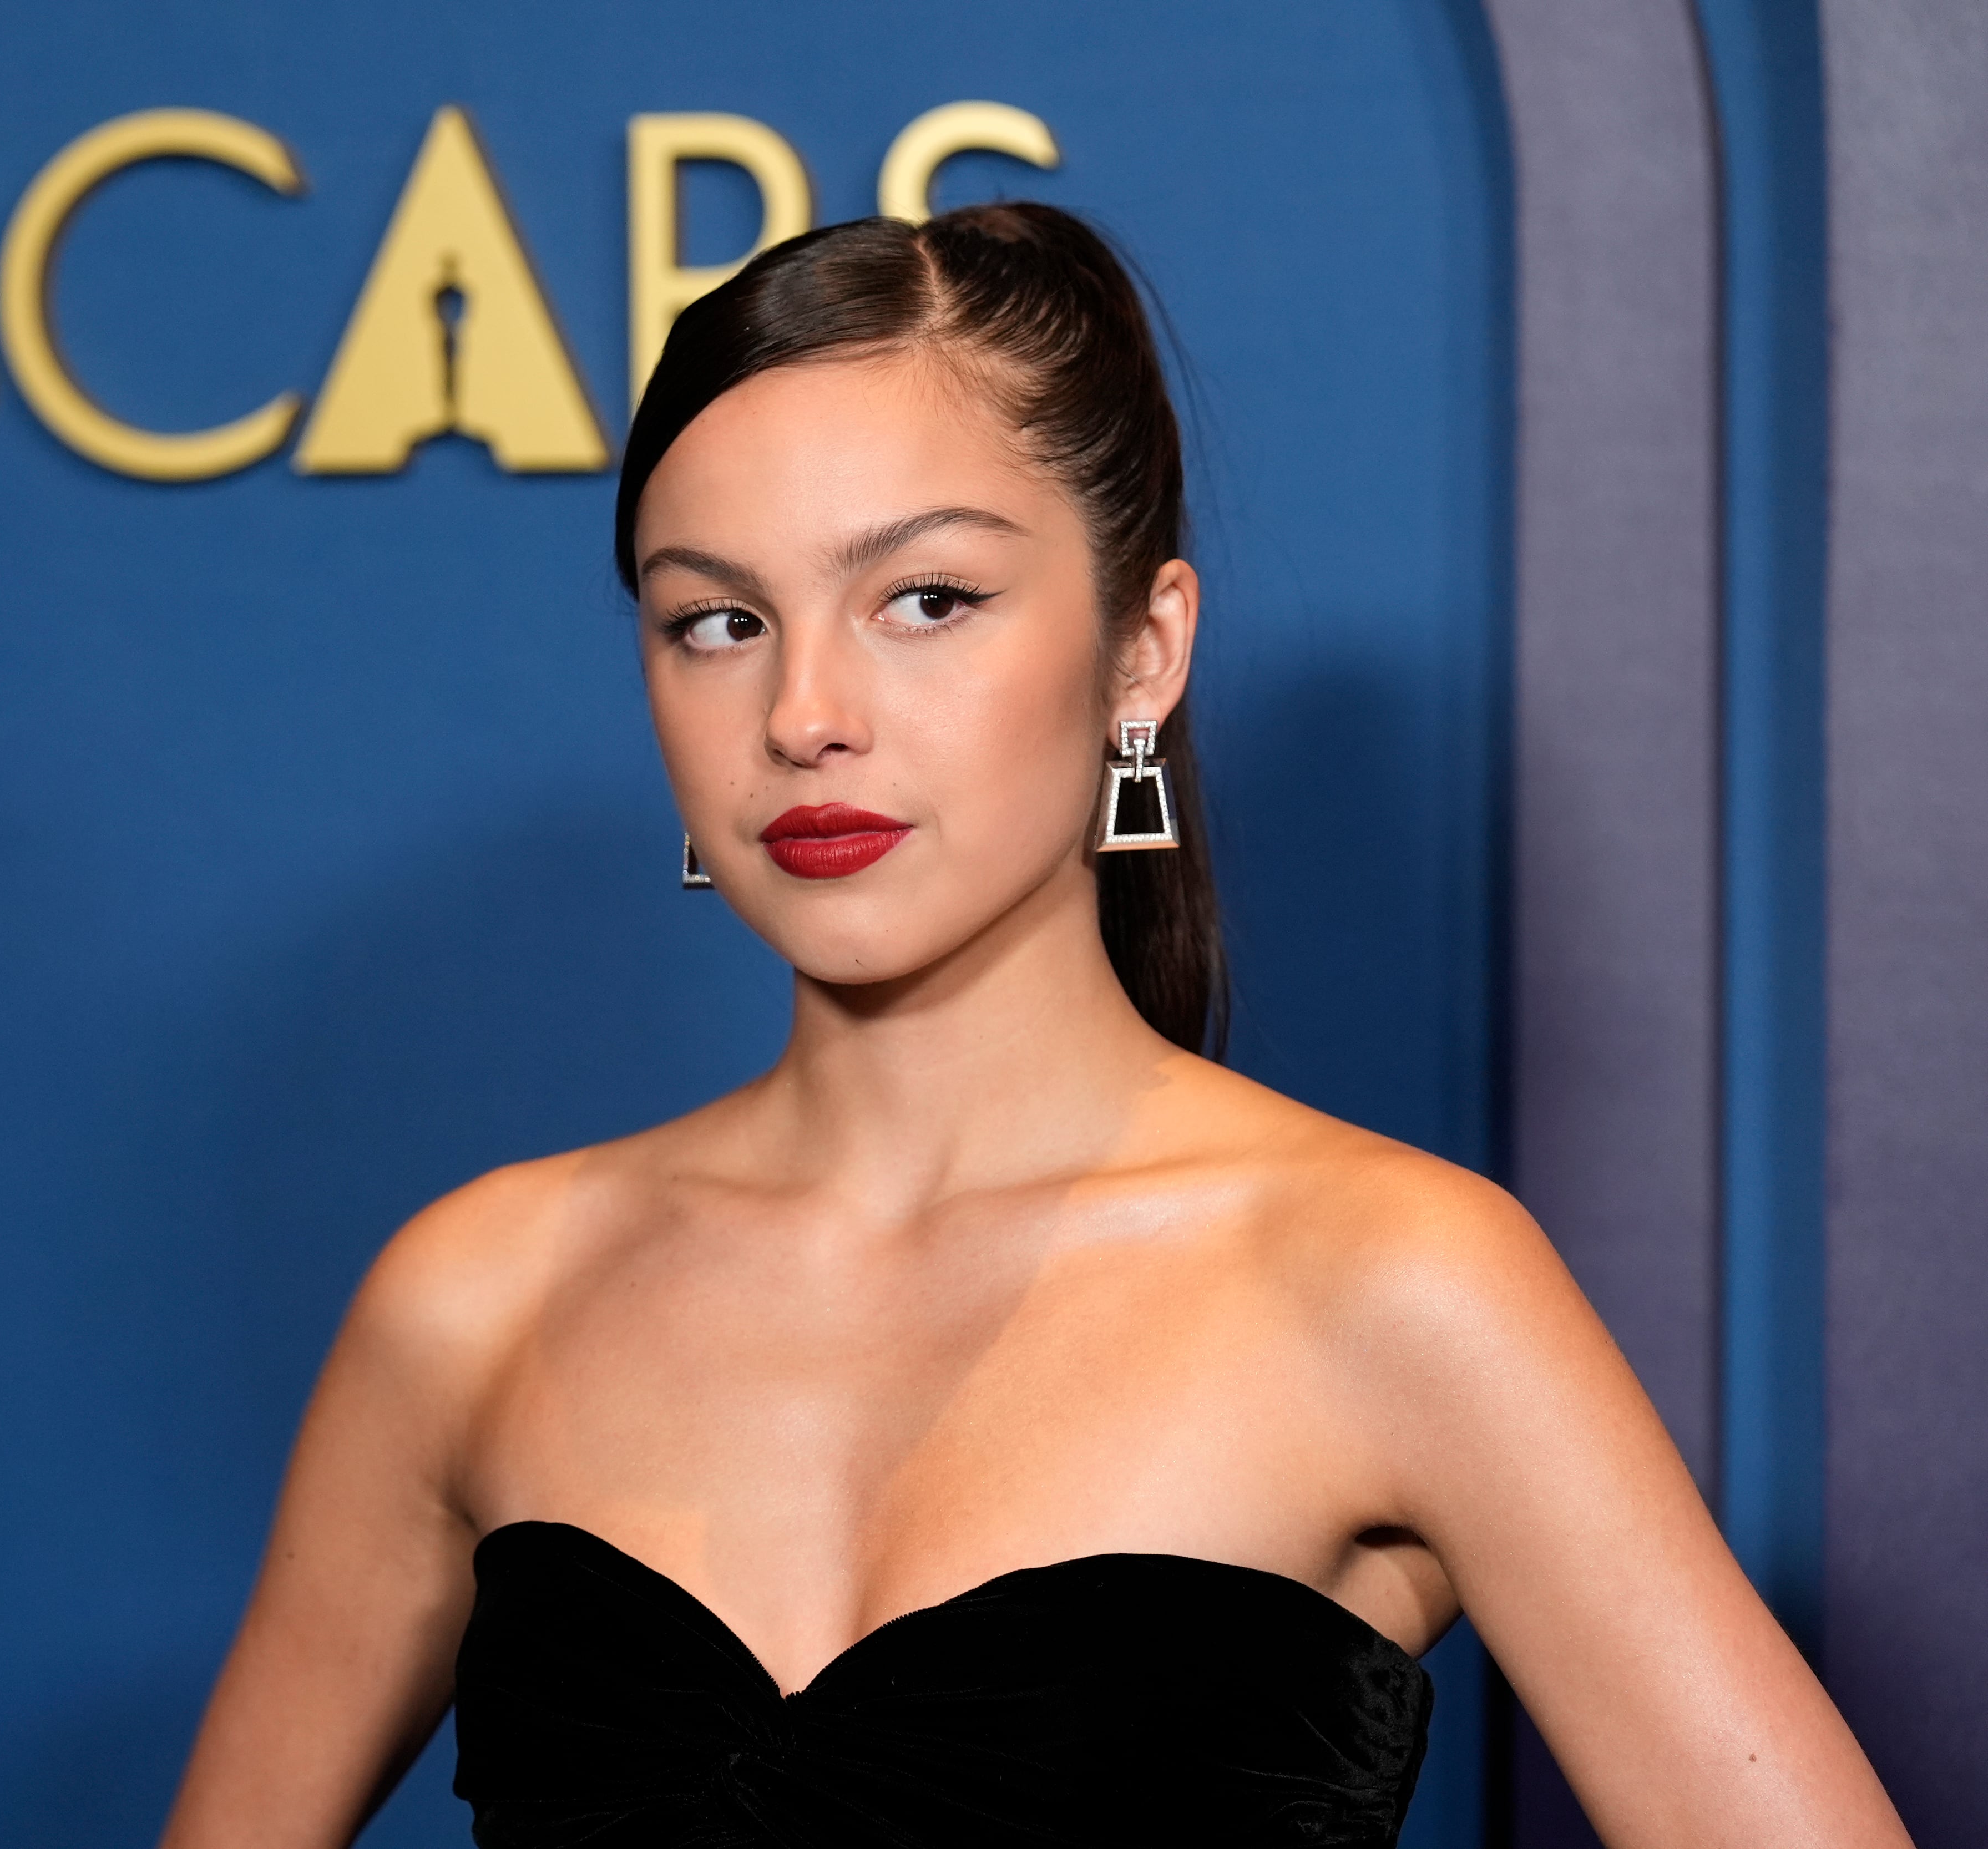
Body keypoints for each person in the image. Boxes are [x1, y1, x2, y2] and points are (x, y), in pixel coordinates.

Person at [158, 205, 1909, 1848]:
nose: (806, 713)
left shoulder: (1392, 1279)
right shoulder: (475, 1301)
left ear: (1143, 653)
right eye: (718, 623)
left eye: (927, 600)